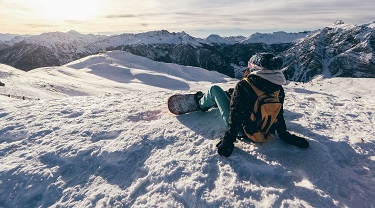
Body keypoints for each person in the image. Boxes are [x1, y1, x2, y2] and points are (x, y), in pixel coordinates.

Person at [194, 53, 309, 158]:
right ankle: (228, 96)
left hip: (242, 130)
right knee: (233, 94)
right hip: (266, 131)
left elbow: (235, 113)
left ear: (255, 68)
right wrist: (285, 135)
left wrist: (228, 140)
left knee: (215, 89)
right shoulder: (278, 88)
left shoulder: (244, 85)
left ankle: (201, 104)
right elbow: (278, 114)